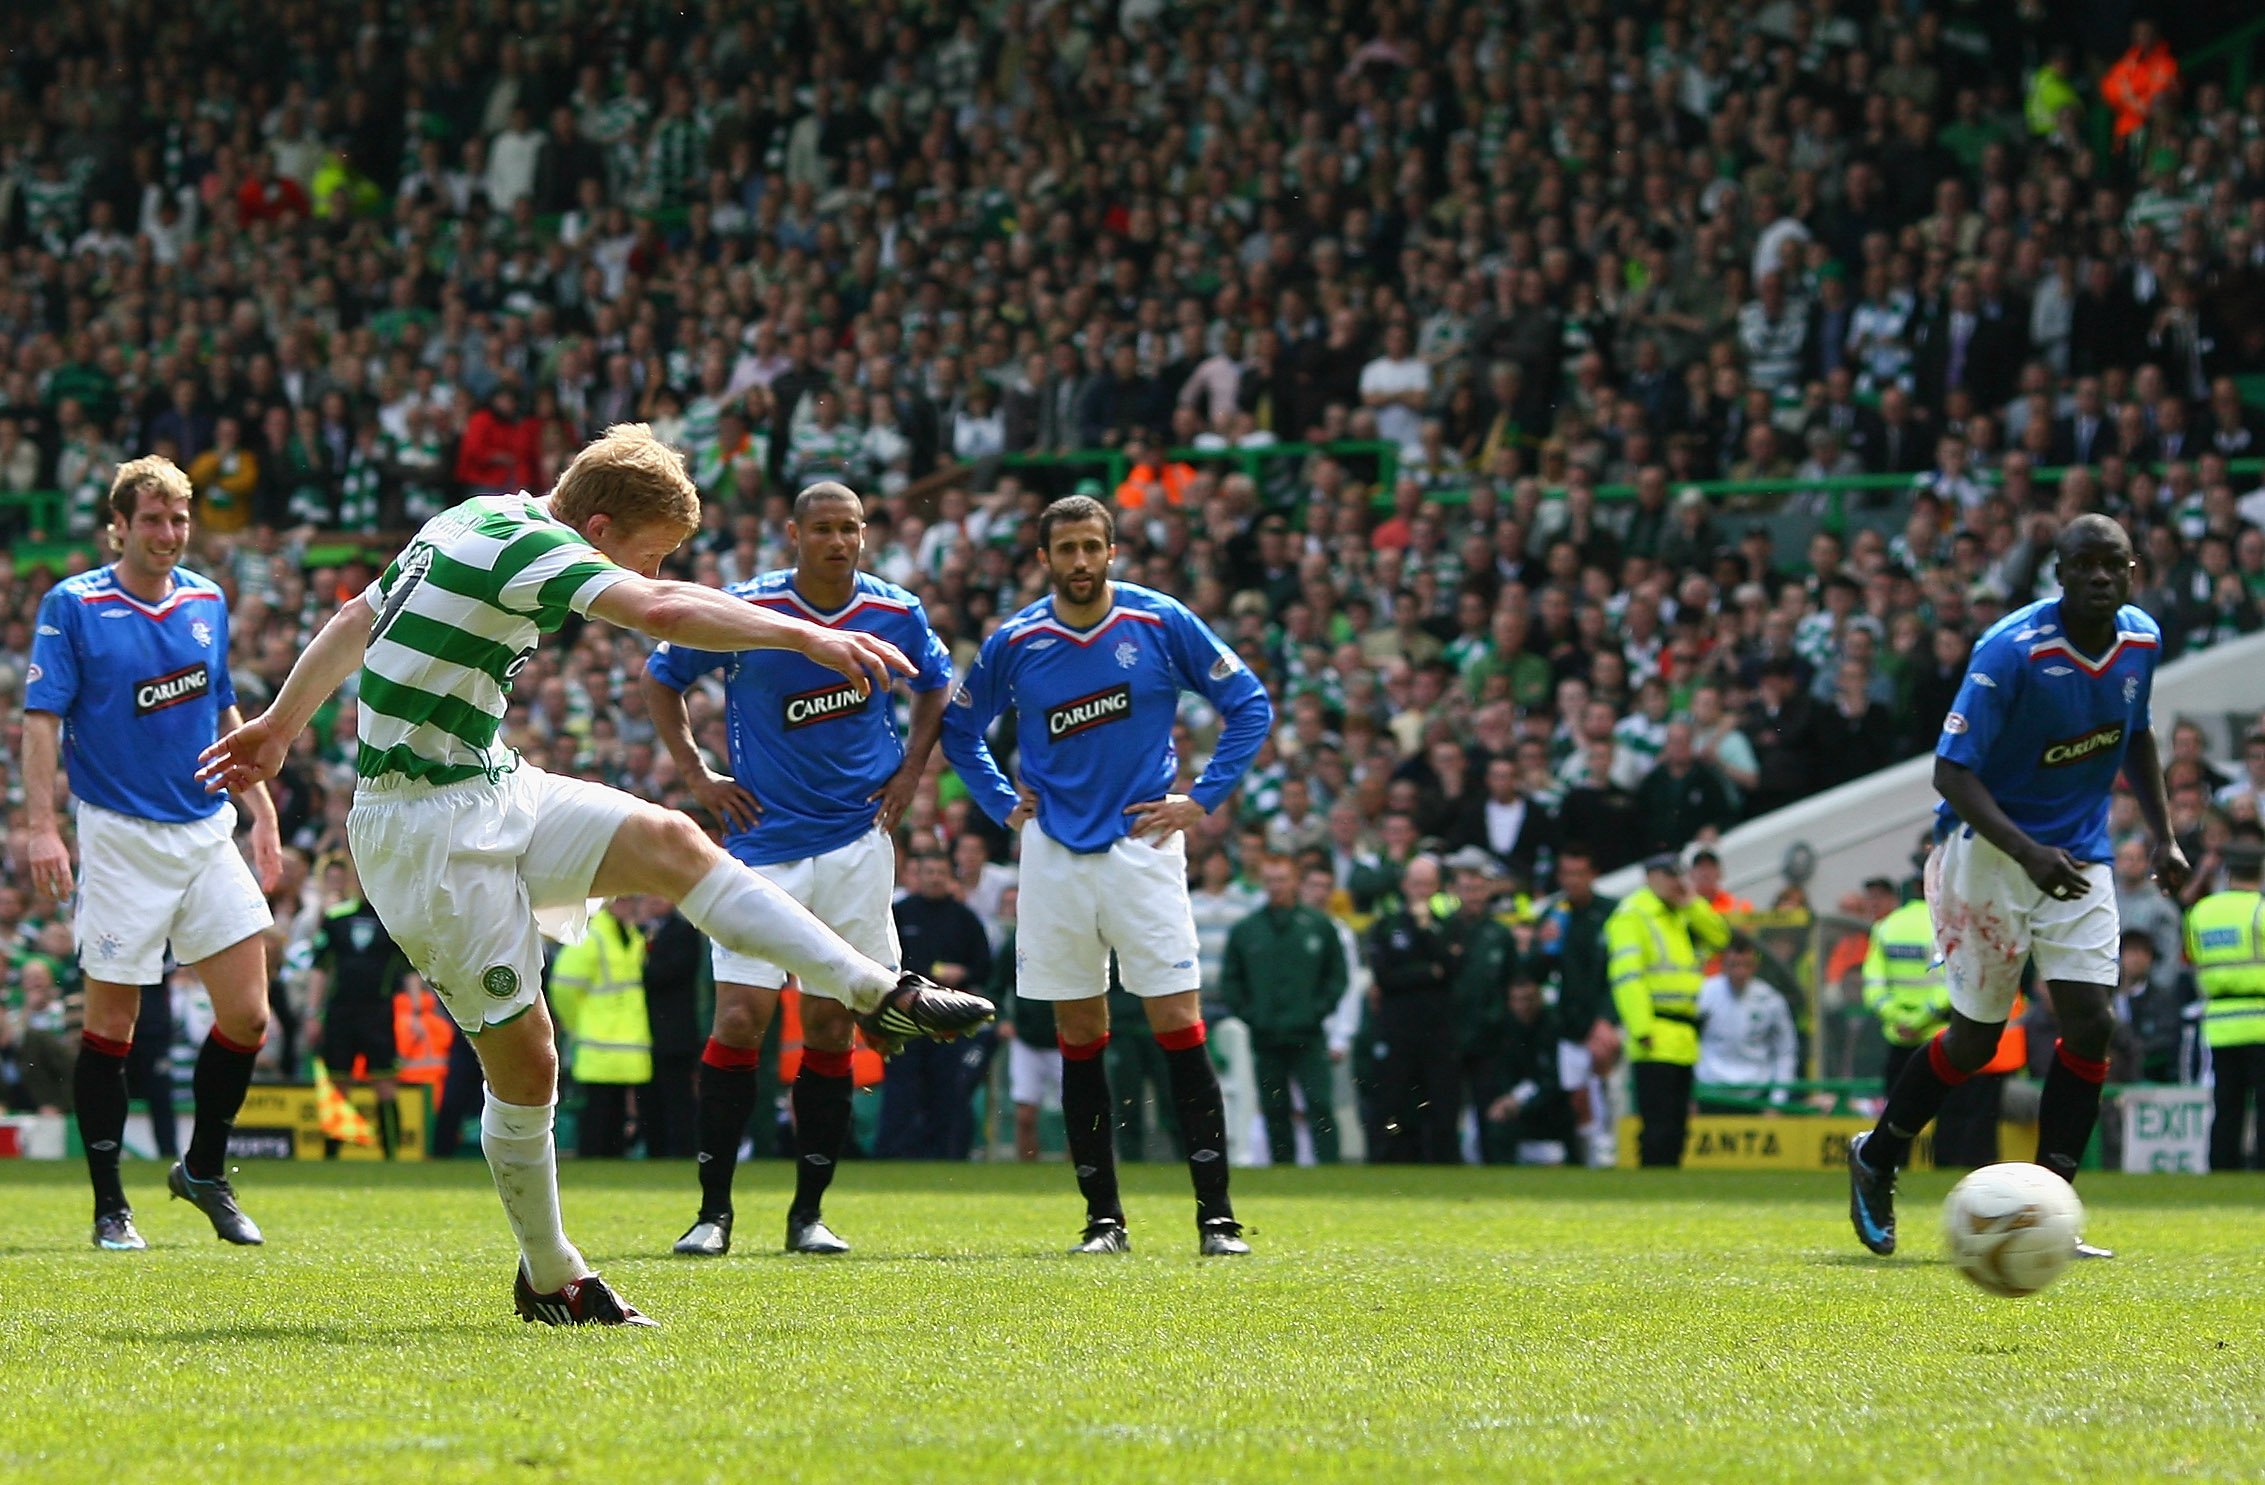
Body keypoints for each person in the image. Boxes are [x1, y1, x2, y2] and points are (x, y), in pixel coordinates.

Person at [199, 424, 992, 1326]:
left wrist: (280, 725)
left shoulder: (476, 516)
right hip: (421, 831)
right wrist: (801, 636)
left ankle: (878, 990)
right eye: (650, 552)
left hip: (492, 782)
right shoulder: (534, 546)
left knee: (672, 840)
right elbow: (662, 613)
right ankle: (550, 1273)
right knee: (528, 1060)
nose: (652, 570)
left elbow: (357, 617)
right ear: (601, 527)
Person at [941, 493, 1272, 1255]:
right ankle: (1103, 1220)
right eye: (1066, 549)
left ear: (1112, 550)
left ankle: (1216, 1217)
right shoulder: (1017, 639)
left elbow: (1248, 703)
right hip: (1053, 852)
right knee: (1079, 1031)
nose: (1081, 560)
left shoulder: (1160, 619)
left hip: (1142, 846)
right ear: (1044, 558)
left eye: (1092, 545)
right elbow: (959, 727)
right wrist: (1001, 803)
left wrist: (1200, 798)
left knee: (1178, 1022)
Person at [1849, 515, 2185, 1258]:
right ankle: (1877, 1153)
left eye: (2114, 564)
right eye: (2084, 564)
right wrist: (2027, 851)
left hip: (2080, 853)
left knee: (2091, 1023)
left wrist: (2163, 834)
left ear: (2133, 571)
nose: (2100, 577)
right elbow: (1950, 772)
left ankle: (2050, 1205)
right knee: (1975, 1041)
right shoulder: (2010, 650)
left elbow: (2136, 731)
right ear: (2058, 573)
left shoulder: (2141, 640)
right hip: (1990, 854)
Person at [643, 479, 955, 1257]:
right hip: (761, 843)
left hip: (856, 842)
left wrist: (911, 771)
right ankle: (712, 1212)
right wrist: (697, 775)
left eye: (851, 528)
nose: (839, 541)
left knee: (828, 1024)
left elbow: (936, 685)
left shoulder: (895, 610)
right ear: (793, 534)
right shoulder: (746, 609)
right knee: (739, 1018)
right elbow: (661, 675)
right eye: (823, 528)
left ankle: (807, 1214)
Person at [26, 457, 284, 1251]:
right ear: (119, 525)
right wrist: (41, 825)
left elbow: (221, 706)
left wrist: (260, 807)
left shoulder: (206, 600)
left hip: (204, 827)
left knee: (248, 1015)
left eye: (179, 519)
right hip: (118, 834)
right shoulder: (74, 604)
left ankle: (201, 1169)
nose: (168, 533)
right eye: (152, 519)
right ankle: (111, 1206)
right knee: (113, 1025)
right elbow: (40, 719)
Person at [1219, 855, 1346, 1166]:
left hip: (1308, 1031)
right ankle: (1282, 1167)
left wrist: (1319, 1009)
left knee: (1319, 1102)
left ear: (1295, 882)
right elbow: (1231, 980)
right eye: (1270, 880)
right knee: (1274, 1106)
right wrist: (1251, 1014)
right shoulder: (1247, 930)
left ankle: (1329, 1164)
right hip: (1266, 1033)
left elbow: (1337, 976)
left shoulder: (1319, 926)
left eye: (1281, 879)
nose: (1275, 887)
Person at [1607, 853, 1729, 1167]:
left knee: (1677, 1125)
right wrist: (1640, 1027)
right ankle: (1652, 1182)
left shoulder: (1679, 913)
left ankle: (1668, 1183)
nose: (1678, 883)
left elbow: (1720, 937)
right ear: (1651, 878)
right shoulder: (1633, 915)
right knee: (1658, 1125)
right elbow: (1627, 977)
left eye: (1680, 876)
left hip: (1683, 1036)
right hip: (1655, 1032)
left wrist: (1692, 904)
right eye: (1670, 876)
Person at [878, 848, 995, 1160]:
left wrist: (964, 973)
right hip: (905, 1017)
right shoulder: (899, 914)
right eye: (928, 872)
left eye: (941, 873)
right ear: (917, 875)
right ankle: (894, 1154)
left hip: (949, 1018)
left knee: (947, 1088)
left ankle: (945, 1154)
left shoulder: (966, 919)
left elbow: (984, 967)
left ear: (950, 877)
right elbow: (882, 961)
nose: (934, 879)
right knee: (902, 1088)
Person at [307, 852, 412, 1159]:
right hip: (340, 1011)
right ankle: (331, 1154)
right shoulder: (336, 918)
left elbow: (408, 971)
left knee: (385, 1081)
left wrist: (417, 1012)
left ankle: (391, 1154)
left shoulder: (393, 921)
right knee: (338, 1082)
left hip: (378, 1012)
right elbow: (320, 968)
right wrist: (313, 1013)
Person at [1364, 854, 1462, 1164]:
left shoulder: (1448, 925)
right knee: (1392, 1098)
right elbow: (1385, 977)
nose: (1421, 890)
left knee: (1441, 1100)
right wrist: (1429, 973)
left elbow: (1452, 968)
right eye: (1416, 883)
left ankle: (1444, 1162)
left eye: (1428, 884)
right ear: (1405, 885)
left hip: (1437, 1028)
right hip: (1398, 1028)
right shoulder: (1388, 925)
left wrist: (1426, 930)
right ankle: (1388, 1159)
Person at [1529, 844, 1621, 1167]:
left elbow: (1621, 972)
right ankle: (1586, 1157)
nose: (1572, 881)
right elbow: (1535, 975)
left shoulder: (1612, 913)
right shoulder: (1554, 914)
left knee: (1607, 1086)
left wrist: (1607, 1018)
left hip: (1608, 1019)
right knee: (1577, 1097)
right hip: (1569, 1023)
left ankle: (1610, 1149)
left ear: (1593, 874)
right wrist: (1543, 948)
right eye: (1566, 873)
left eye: (1578, 873)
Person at [546, 898, 650, 1160]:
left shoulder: (631, 937)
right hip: (600, 1042)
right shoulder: (594, 937)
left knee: (614, 1113)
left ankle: (608, 1158)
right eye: (624, 899)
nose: (632, 905)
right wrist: (578, 1024)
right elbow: (563, 987)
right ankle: (594, 1157)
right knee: (599, 1112)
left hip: (624, 1042)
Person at [2186, 842, 2265, 1171]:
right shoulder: (2260, 910)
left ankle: (2221, 1168)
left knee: (2226, 1105)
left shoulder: (2201, 912)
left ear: (2227, 873)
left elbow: (2193, 957)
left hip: (2218, 1022)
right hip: (2260, 1021)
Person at [1483, 973, 1577, 1165]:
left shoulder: (1554, 1028)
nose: (1523, 1006)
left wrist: (1519, 1101)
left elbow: (1554, 1080)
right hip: (1521, 1105)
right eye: (1517, 1000)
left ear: (1539, 999)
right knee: (1496, 1121)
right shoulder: (1506, 1032)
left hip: (1553, 1107)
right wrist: (1507, 1100)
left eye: (1528, 999)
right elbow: (1502, 1075)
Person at [1694, 935, 1798, 1092]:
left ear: (1755, 966)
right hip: (1710, 1089)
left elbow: (1785, 1050)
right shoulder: (1704, 994)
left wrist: (1779, 1097)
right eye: (1734, 965)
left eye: (1746, 965)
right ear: (1723, 965)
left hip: (1756, 1091)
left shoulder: (1770, 999)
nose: (1740, 971)